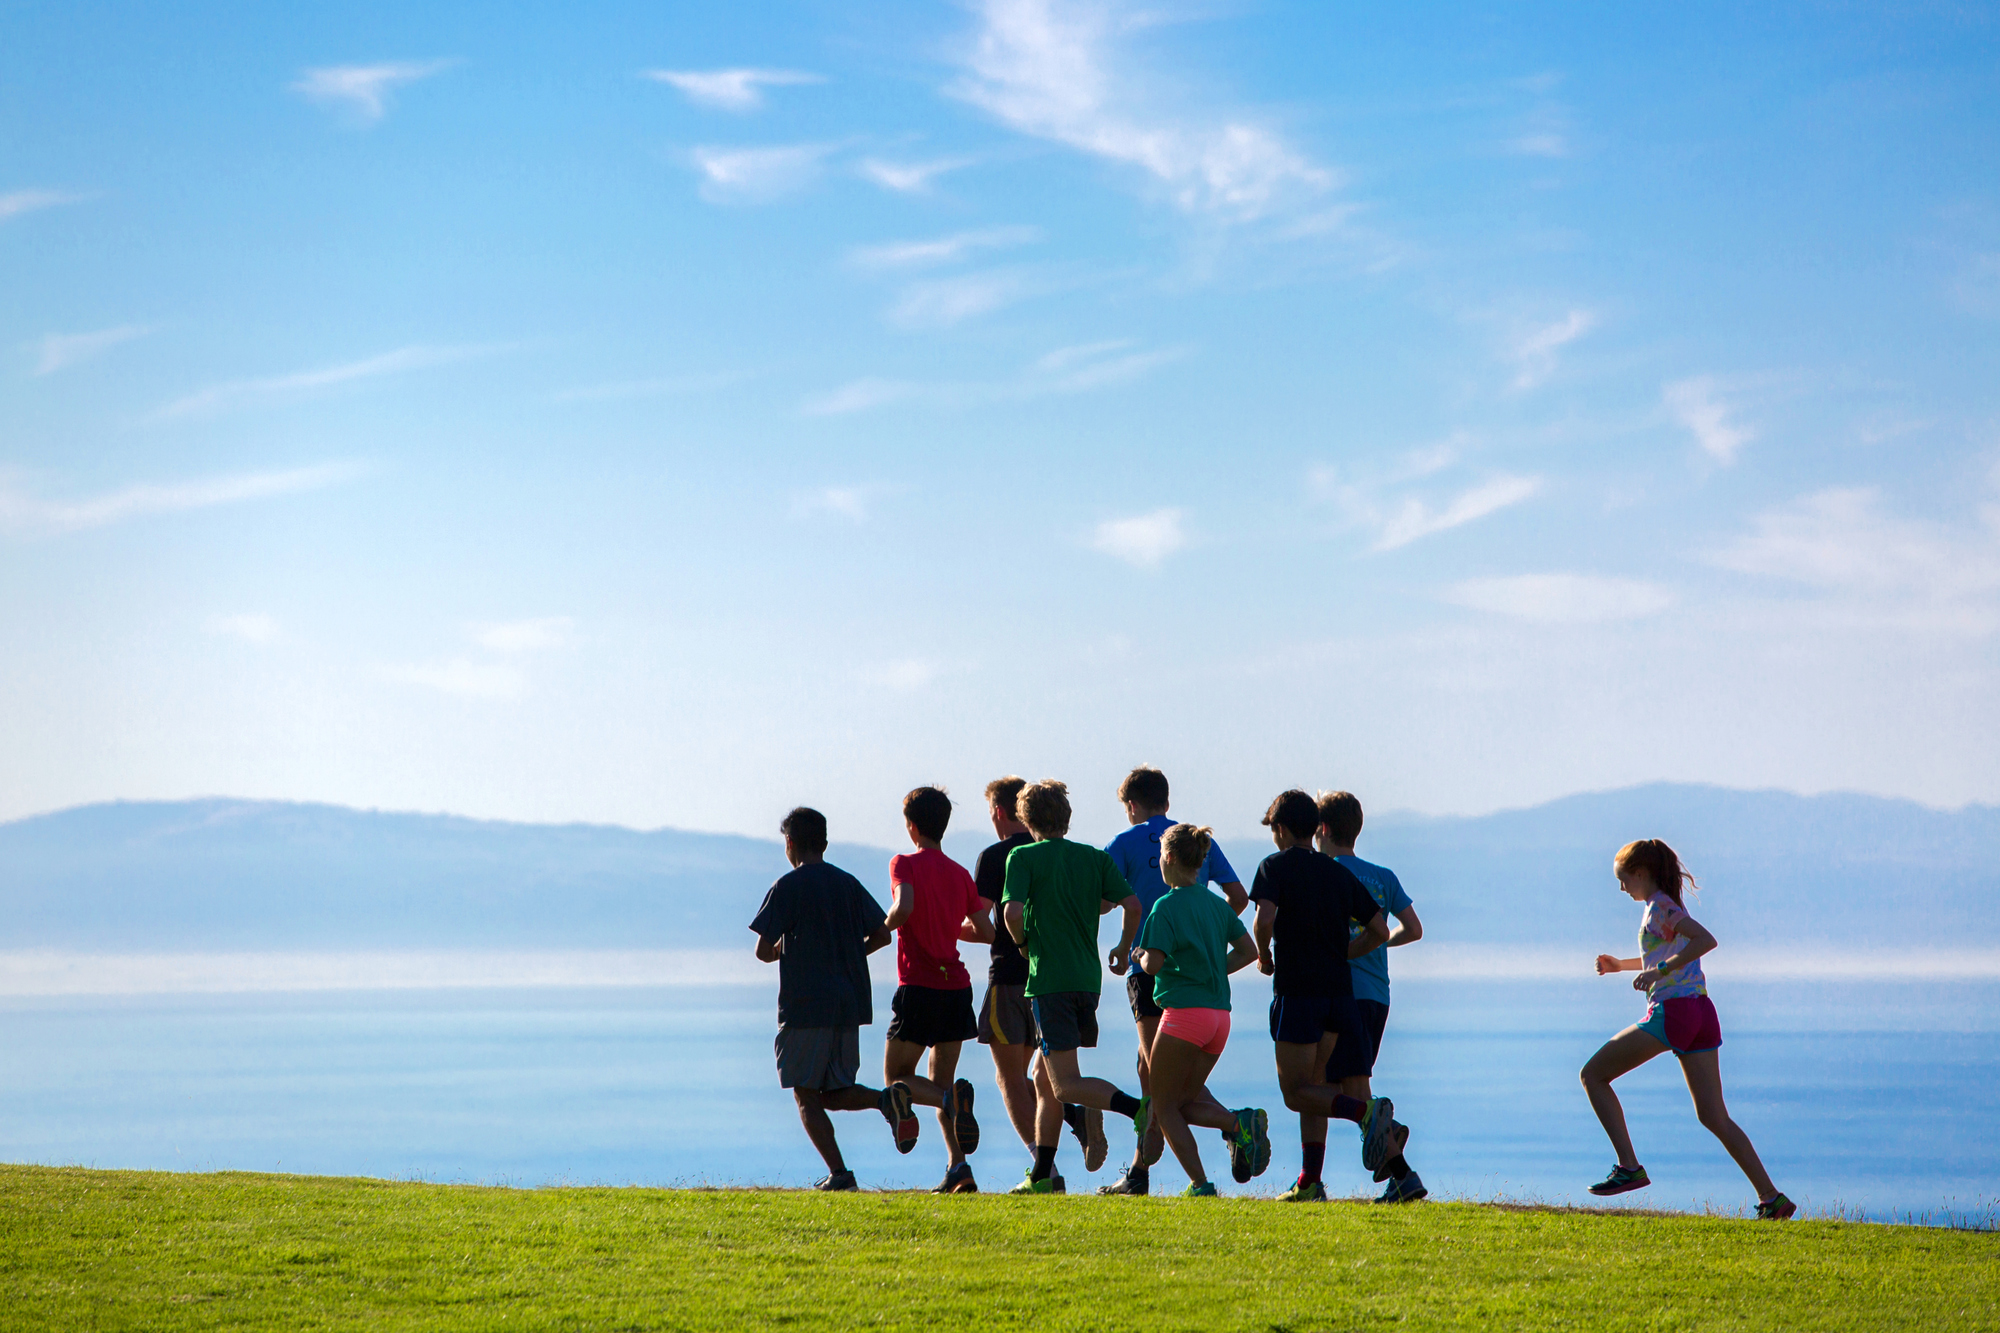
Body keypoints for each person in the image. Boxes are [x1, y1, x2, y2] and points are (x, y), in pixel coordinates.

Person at [1581, 839, 1796, 1220]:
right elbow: (1662, 955)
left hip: (1674, 1012)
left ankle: (1629, 1166)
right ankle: (1772, 1198)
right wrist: (1622, 965)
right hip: (1701, 1013)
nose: (1621, 888)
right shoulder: (1661, 908)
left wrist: (1658, 972)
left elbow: (1705, 940)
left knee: (1593, 1075)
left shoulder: (1661, 906)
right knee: (1714, 1116)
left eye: (1624, 879)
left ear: (1642, 873)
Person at [748, 806, 918, 1191]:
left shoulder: (787, 886)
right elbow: (881, 934)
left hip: (805, 1005)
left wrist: (783, 953)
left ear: (789, 843)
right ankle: (885, 1101)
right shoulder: (847, 883)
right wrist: (849, 954)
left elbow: (762, 949)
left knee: (806, 1095)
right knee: (834, 1090)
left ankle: (840, 1175)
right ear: (824, 842)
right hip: (849, 1003)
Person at [1099, 766, 1247, 1197]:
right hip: (1206, 990)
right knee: (1150, 1069)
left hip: (1154, 975)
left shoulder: (1126, 844)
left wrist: (1134, 941)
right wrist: (1203, 944)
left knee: (1159, 1080)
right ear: (1165, 798)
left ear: (1131, 805)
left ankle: (1228, 1128)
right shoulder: (1197, 839)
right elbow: (1237, 898)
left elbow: (1107, 902)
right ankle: (1142, 1168)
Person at [999, 779, 1148, 1195]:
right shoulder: (1093, 859)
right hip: (1087, 981)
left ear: (1026, 820)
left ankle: (1139, 1110)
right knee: (1046, 1083)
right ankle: (1043, 1175)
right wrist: (1121, 946)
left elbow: (1010, 911)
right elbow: (1132, 905)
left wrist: (1024, 943)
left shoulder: (1022, 856)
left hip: (1049, 981)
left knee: (1064, 1084)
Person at [1250, 789, 1403, 1188]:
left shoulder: (1273, 866)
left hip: (1298, 991)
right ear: (1312, 827)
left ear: (1281, 829)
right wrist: (1346, 952)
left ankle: (1364, 1114)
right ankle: (1310, 1182)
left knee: (1295, 1093)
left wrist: (1265, 955)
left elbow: (1263, 919)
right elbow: (1381, 930)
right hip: (1340, 997)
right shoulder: (1338, 872)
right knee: (1315, 1086)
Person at [973, 776, 1106, 1179]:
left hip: (1013, 977)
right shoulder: (1070, 855)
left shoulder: (998, 856)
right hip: (1066, 977)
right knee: (1048, 1075)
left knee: (1010, 1078)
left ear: (1000, 812)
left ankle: (1040, 1164)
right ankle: (1075, 1119)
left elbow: (985, 923)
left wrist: (943, 930)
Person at [1302, 790, 1427, 1204]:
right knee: (1333, 1085)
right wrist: (1376, 944)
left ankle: (1401, 1173)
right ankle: (1315, 1179)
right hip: (1377, 995)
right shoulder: (1383, 876)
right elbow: (1414, 929)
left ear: (1320, 829)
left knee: (1334, 1088)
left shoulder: (1321, 872)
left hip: (1338, 996)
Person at [1133, 823, 1267, 1196]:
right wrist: (1210, 969)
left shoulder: (1165, 906)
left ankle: (1201, 1184)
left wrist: (1139, 954)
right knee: (1183, 1100)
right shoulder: (1215, 905)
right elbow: (1249, 951)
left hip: (1184, 1016)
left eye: (1160, 856)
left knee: (1162, 1105)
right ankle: (1237, 1124)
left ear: (1170, 858)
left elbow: (1154, 965)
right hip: (1219, 1019)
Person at [883, 786, 994, 1194]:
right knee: (940, 1083)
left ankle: (950, 1104)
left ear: (912, 827)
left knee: (896, 1078)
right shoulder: (960, 874)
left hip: (918, 987)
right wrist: (952, 928)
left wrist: (879, 930)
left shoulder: (904, 863)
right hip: (956, 990)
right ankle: (959, 1169)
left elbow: (904, 908)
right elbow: (987, 931)